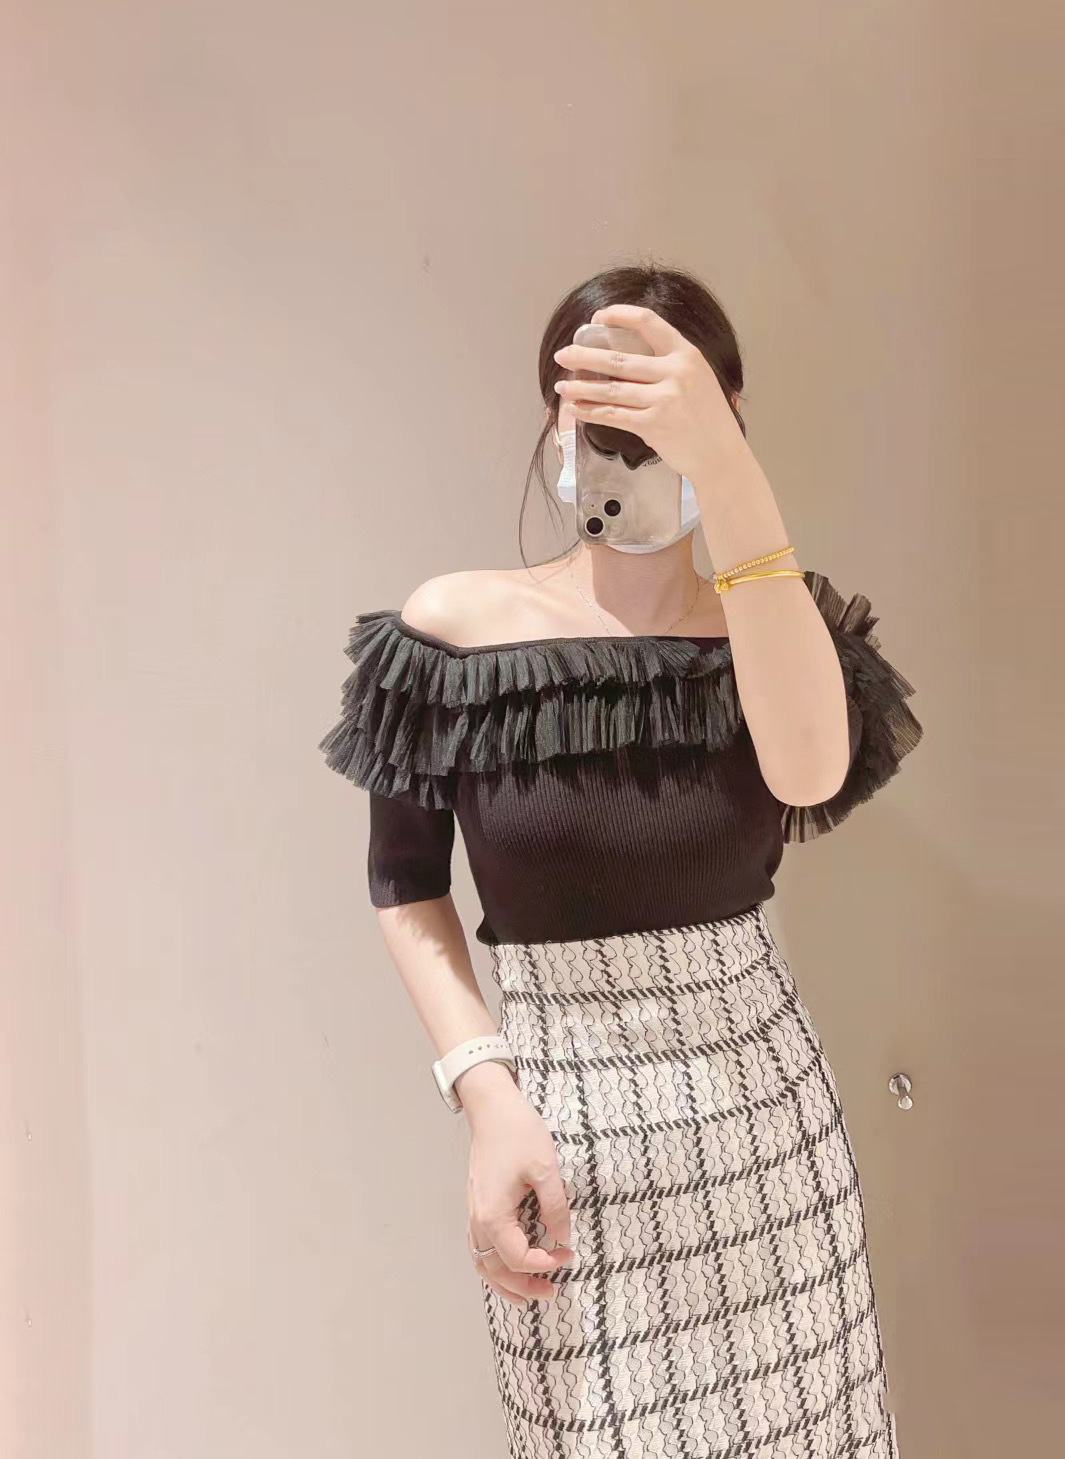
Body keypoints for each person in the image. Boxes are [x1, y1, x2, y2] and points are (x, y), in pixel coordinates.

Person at [318, 264, 922, 1458]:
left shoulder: (774, 627)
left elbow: (808, 774)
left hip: (765, 1135)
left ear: (729, 420)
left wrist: (729, 476)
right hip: (566, 1129)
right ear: (555, 420)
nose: (635, 445)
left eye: (675, 413)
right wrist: (486, 1097)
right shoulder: (454, 634)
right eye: (603, 411)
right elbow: (405, 883)